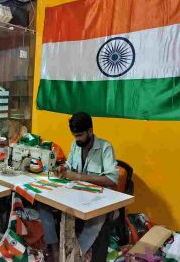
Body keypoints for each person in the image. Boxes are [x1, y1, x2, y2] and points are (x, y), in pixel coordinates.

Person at [39, 112, 119, 262]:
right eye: (74, 136)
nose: (77, 140)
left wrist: (79, 177)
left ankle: (77, 255)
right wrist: (62, 168)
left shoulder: (105, 148)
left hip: (98, 201)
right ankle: (55, 249)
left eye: (80, 135)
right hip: (76, 196)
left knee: (96, 221)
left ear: (90, 130)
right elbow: (69, 165)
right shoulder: (75, 145)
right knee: (43, 204)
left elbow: (112, 179)